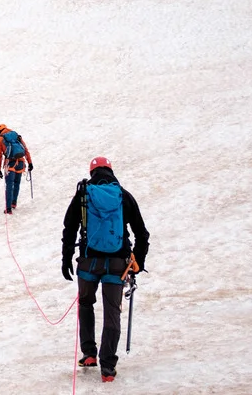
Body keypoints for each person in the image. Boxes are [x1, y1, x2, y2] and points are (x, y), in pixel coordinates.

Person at [61, 156, 150, 383]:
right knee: (112, 312)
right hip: (118, 264)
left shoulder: (83, 195)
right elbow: (142, 234)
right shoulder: (123, 196)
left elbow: (69, 228)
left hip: (88, 262)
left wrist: (66, 259)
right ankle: (107, 367)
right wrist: (137, 263)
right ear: (111, 170)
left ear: (92, 172)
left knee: (86, 304)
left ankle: (89, 354)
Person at [0, 124, 33, 214]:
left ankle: (8, 209)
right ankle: (14, 203)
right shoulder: (16, 136)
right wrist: (30, 162)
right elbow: (25, 149)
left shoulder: (0, 139)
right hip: (20, 163)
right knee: (16, 183)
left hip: (10, 163)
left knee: (9, 185)